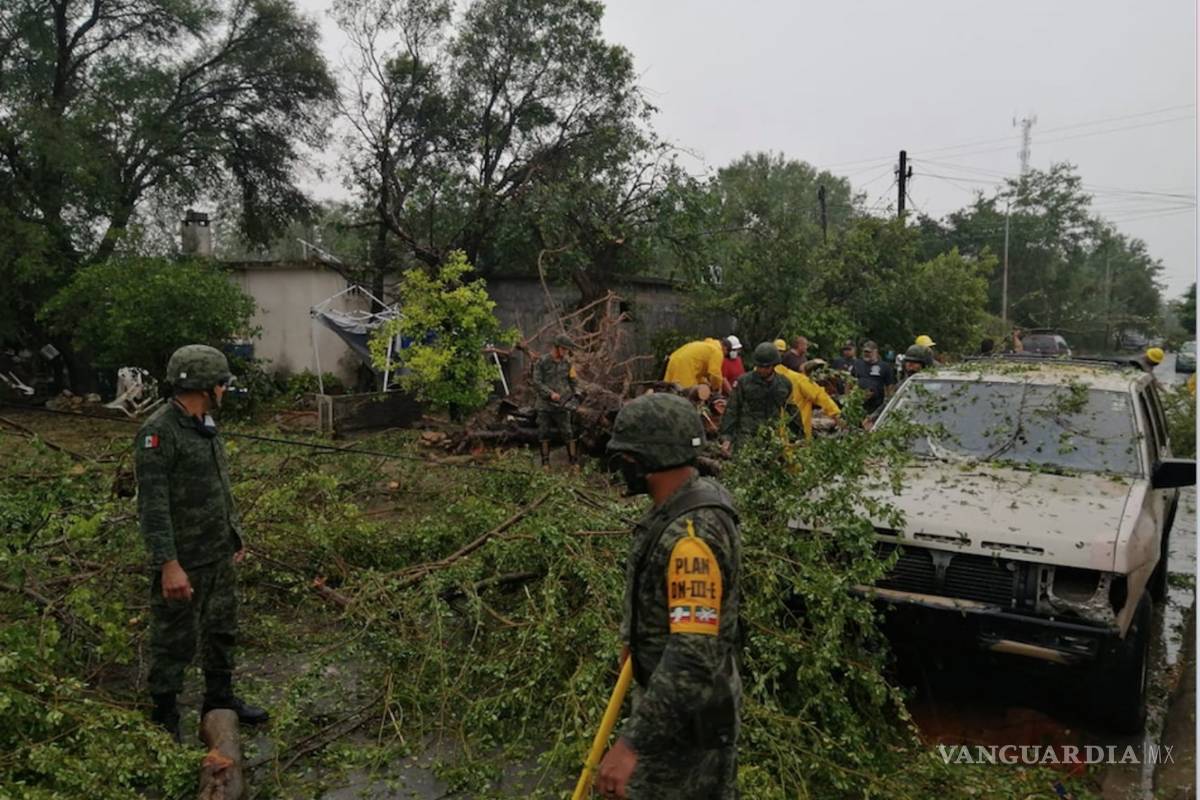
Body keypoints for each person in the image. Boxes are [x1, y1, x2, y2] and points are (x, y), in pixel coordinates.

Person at [597, 393, 742, 800]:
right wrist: (634, 638)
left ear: (644, 461)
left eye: (625, 458)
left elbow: (693, 655)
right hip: (681, 703)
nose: (620, 467)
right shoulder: (686, 500)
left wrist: (632, 744)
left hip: (684, 718)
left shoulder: (690, 539)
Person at [135, 345, 269, 741]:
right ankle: (164, 718)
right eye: (221, 384)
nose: (225, 390)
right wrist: (168, 565)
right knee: (173, 638)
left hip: (217, 553)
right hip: (184, 559)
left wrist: (234, 536)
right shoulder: (158, 432)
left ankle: (220, 700)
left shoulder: (203, 423)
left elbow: (219, 486)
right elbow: (153, 508)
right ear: (203, 386)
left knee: (221, 628)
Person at [719, 342, 793, 452]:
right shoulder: (744, 382)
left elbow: (792, 410)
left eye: (766, 367)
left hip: (772, 437)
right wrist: (726, 437)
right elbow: (732, 409)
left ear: (773, 366)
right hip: (746, 436)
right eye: (759, 366)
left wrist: (799, 437)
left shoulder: (784, 384)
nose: (762, 370)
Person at [533, 334, 579, 466]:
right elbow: (537, 382)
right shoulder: (542, 362)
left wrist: (575, 394)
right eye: (564, 349)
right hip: (544, 405)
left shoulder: (568, 363)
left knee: (568, 433)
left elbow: (573, 381)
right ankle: (545, 464)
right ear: (557, 347)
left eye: (567, 350)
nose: (566, 352)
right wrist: (550, 393)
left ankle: (573, 463)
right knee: (543, 433)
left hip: (562, 406)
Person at [776, 361, 844, 440]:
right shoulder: (798, 379)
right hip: (798, 435)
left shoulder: (761, 379)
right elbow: (820, 396)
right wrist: (836, 415)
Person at [664, 338, 731, 394]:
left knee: (668, 390)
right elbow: (715, 373)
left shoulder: (707, 346)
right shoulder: (717, 352)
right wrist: (716, 387)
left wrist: (706, 383)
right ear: (725, 348)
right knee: (684, 395)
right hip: (685, 365)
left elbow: (698, 370)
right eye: (726, 353)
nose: (724, 356)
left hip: (674, 359)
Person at [853, 340, 896, 415]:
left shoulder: (884, 366)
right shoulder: (857, 364)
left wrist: (890, 403)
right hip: (858, 403)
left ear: (875, 352)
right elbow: (850, 381)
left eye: (869, 352)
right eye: (865, 352)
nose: (866, 354)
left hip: (876, 405)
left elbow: (890, 386)